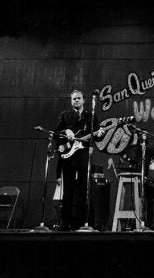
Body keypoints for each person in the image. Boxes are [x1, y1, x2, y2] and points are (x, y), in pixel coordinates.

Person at [53, 90, 104, 230]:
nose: (76, 100)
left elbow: (97, 136)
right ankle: (65, 223)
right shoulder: (65, 115)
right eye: (74, 99)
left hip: (83, 155)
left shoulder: (90, 115)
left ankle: (82, 223)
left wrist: (99, 134)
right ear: (71, 101)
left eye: (78, 98)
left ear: (83, 100)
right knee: (68, 190)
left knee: (83, 190)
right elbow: (56, 134)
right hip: (69, 156)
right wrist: (65, 132)